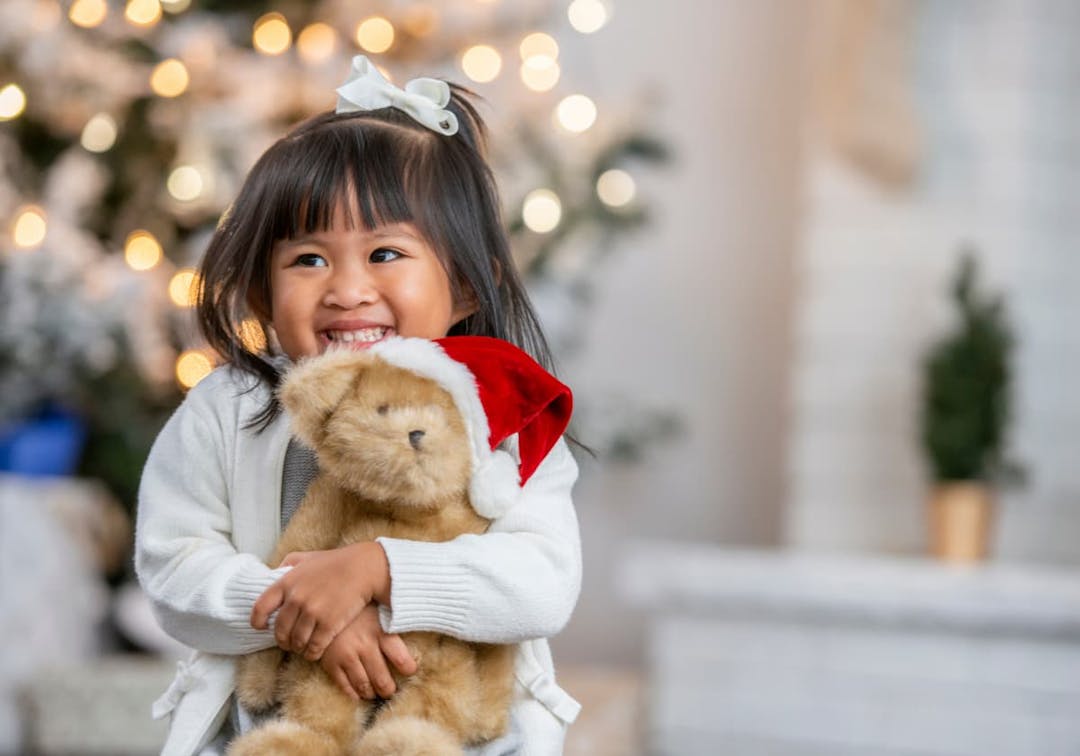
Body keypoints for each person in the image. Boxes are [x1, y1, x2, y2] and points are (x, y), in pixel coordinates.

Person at [135, 56, 582, 756]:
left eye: (385, 253)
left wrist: (380, 571)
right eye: (308, 260)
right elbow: (172, 565)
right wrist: (311, 613)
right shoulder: (228, 406)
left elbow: (541, 584)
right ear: (261, 292)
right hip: (272, 730)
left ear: (465, 286)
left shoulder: (504, 409)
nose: (346, 289)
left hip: (465, 733)